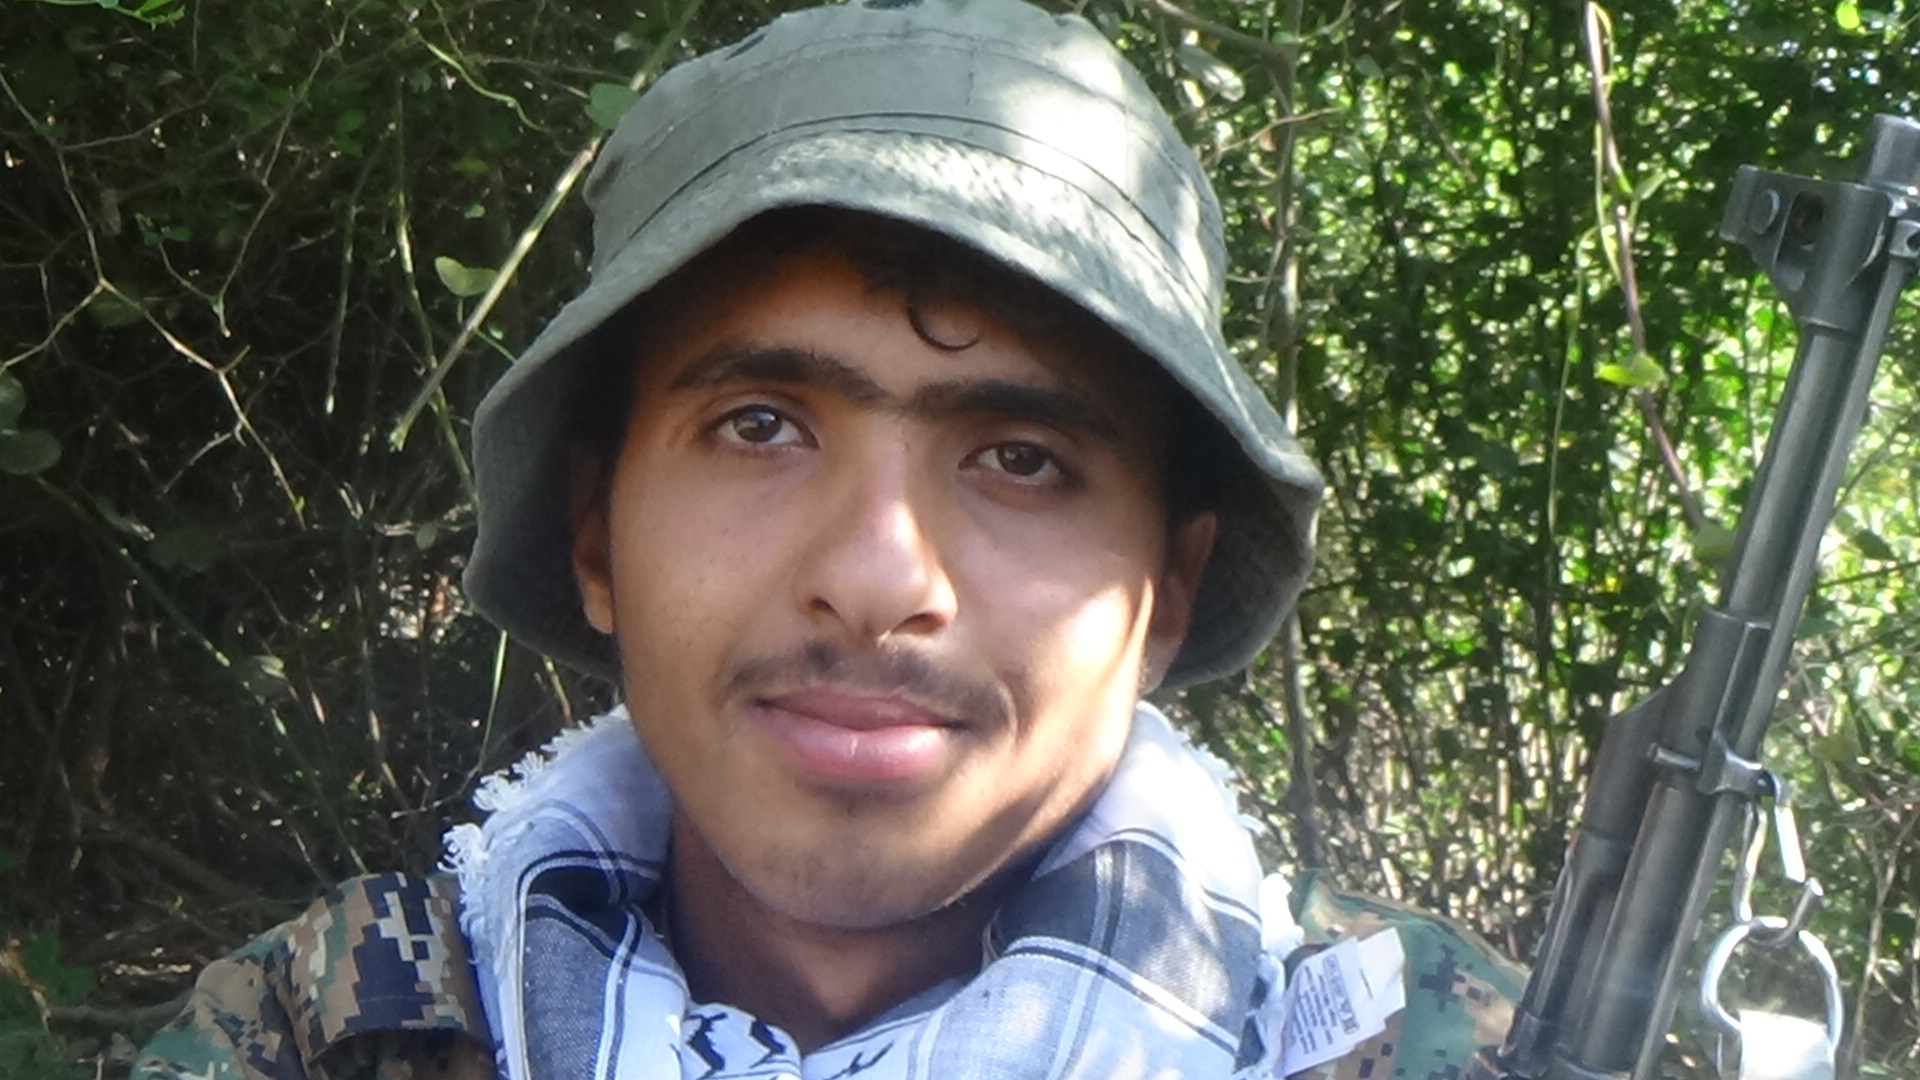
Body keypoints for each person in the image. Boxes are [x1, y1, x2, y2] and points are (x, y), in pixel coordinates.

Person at [134, 1, 1521, 1078]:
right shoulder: (330, 1025)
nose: (877, 579)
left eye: (1022, 458)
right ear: (595, 534)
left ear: (1166, 596)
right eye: (760, 426)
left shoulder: (1443, 1047)